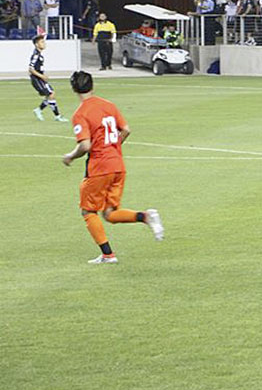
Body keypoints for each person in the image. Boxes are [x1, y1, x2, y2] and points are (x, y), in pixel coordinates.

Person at [61, 71, 163, 264]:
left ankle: (108, 255)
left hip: (99, 167)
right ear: (92, 85)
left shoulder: (80, 113)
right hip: (118, 165)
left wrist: (70, 157)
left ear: (74, 89)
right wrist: (114, 147)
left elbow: (85, 146)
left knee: (88, 211)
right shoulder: (108, 105)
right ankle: (146, 216)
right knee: (109, 214)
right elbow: (126, 129)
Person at [29, 35, 68, 122]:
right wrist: (41, 76)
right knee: (51, 94)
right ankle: (57, 116)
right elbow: (31, 69)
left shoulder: (40, 55)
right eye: (42, 42)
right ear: (36, 44)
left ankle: (39, 110)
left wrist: (43, 75)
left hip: (40, 79)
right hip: (37, 79)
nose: (44, 44)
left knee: (51, 94)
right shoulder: (35, 55)